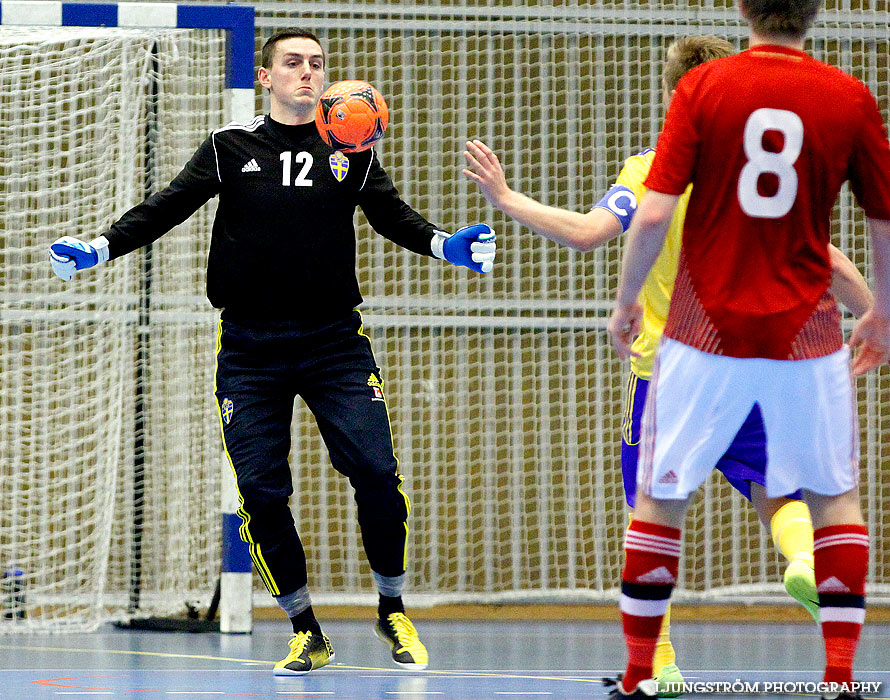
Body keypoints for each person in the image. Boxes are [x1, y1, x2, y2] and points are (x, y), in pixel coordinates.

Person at [48, 27, 496, 677]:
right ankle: (306, 628)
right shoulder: (230, 148)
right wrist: (98, 247)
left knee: (375, 469)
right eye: (293, 63)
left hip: (335, 342)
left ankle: (392, 607)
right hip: (250, 349)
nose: (307, 73)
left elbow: (395, 217)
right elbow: (166, 206)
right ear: (266, 77)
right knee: (260, 492)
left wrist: (447, 245)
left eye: (316, 63)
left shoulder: (352, 145)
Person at [463, 34, 873, 697]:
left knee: (653, 514)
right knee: (782, 496)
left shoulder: (652, 170)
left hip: (675, 373)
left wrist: (507, 199)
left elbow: (588, 232)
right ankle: (802, 560)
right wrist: (874, 313)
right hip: (763, 363)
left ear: (675, 97)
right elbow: (828, 260)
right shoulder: (768, 181)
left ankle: (661, 663)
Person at [604, 1, 890, 698]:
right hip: (807, 333)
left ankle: (645, 671)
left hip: (704, 334)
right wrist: (882, 311)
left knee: (658, 499)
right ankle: (840, 678)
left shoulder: (705, 89)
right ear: (817, 12)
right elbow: (881, 216)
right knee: (832, 499)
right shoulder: (849, 96)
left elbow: (654, 209)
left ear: (742, 8)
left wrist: (626, 299)